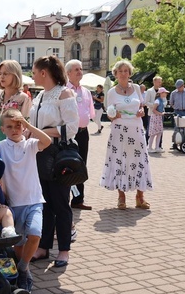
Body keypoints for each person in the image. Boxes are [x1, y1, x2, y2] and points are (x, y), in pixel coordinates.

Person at [0, 108, 52, 292]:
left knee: (35, 235)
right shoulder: (0, 147)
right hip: (13, 203)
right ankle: (22, 269)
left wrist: (27, 124)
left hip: (34, 200)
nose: (15, 129)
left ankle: (23, 268)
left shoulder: (30, 144)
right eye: (9, 126)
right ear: (3, 129)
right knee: (18, 242)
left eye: (18, 125)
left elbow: (47, 141)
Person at [29, 55, 78, 268]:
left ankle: (64, 249)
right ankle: (43, 247)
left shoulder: (64, 93)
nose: (31, 75)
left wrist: (40, 132)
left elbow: (71, 128)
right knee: (44, 203)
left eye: (33, 71)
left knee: (60, 203)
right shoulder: (40, 95)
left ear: (43, 72)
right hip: (39, 153)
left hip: (58, 155)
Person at [100, 60, 153, 209]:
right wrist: (113, 115)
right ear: (115, 74)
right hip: (119, 131)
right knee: (120, 161)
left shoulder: (136, 88)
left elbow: (141, 107)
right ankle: (121, 196)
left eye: (126, 71)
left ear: (130, 73)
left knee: (139, 160)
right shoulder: (111, 92)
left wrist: (142, 112)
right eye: (120, 71)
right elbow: (109, 113)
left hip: (136, 129)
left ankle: (140, 197)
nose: (123, 74)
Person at [65, 60, 94, 211]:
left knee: (82, 165)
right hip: (70, 133)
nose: (79, 71)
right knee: (68, 165)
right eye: (76, 69)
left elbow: (90, 113)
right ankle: (64, 198)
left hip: (83, 133)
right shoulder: (64, 91)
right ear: (68, 73)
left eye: (81, 69)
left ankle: (78, 199)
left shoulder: (86, 92)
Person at [0, 60, 32, 146]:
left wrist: (2, 120)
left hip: (12, 144)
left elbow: (25, 124)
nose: (1, 77)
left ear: (15, 75)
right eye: (0, 74)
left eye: (5, 74)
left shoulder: (23, 98)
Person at [144, 76, 163, 146]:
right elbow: (146, 102)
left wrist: (162, 105)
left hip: (160, 113)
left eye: (161, 82)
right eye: (158, 82)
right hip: (151, 113)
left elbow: (165, 101)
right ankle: (145, 143)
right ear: (154, 82)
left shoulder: (162, 90)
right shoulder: (149, 91)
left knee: (160, 130)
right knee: (150, 129)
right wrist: (154, 105)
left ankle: (159, 145)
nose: (160, 83)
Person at [148, 87, 168, 153]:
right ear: (161, 93)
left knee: (159, 133)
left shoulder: (161, 100)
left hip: (158, 118)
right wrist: (160, 113)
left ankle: (157, 147)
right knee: (153, 133)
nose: (166, 94)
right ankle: (149, 147)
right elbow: (153, 110)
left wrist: (161, 113)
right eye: (165, 93)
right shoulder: (157, 101)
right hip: (155, 118)